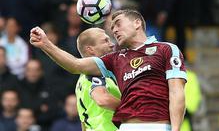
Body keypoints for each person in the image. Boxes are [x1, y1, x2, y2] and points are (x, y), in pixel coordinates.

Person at [30, 9, 187, 131]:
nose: (114, 30)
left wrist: (175, 128)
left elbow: (176, 92)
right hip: (126, 127)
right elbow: (75, 65)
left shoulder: (165, 49)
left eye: (118, 24)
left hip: (158, 126)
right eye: (112, 28)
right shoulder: (116, 59)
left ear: (137, 23)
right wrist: (45, 44)